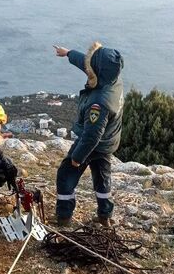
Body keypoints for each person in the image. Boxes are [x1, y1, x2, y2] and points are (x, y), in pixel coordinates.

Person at [53, 42, 124, 227]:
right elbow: (89, 64)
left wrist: (77, 158)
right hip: (108, 142)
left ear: (97, 71)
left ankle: (64, 216)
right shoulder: (113, 79)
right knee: (102, 178)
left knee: (66, 174)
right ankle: (105, 215)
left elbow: (92, 136)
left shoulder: (99, 103)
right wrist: (68, 53)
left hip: (94, 143)